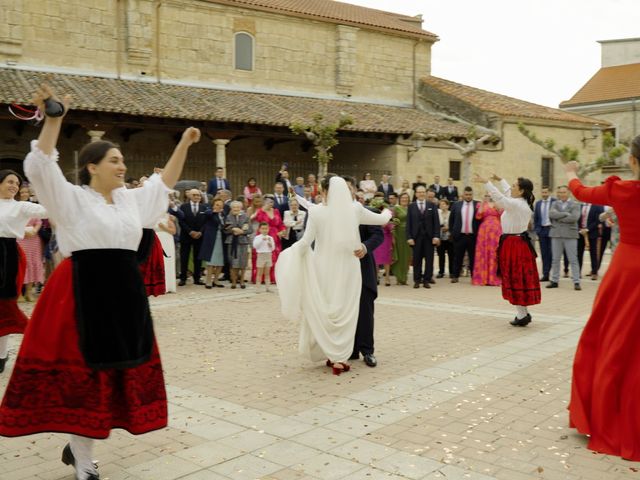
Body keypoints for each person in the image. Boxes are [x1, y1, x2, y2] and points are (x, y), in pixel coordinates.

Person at [0, 85, 200, 480]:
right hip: (80, 295)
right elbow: (39, 165)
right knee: (84, 377)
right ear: (92, 166)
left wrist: (183, 143)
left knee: (112, 375)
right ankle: (84, 460)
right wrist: (54, 120)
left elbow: (162, 186)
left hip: (124, 297)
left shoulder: (131, 201)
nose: (122, 166)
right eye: (114, 160)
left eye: (123, 160)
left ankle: (79, 449)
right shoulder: (70, 198)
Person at [566, 137, 640, 460]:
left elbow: (581, 193)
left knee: (612, 338)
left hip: (626, 268)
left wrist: (571, 173)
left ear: (633, 160)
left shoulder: (620, 189)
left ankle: (608, 414)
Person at [275, 175, 390, 375]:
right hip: (348, 269)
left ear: (325, 191)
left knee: (328, 308)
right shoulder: (355, 210)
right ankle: (341, 356)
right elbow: (382, 219)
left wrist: (290, 254)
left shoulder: (316, 211)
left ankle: (335, 354)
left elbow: (305, 241)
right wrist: (388, 210)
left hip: (323, 267)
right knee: (346, 309)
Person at [475, 173, 540, 326]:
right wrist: (500, 180)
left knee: (516, 277)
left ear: (522, 190)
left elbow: (501, 198)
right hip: (514, 243)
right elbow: (506, 192)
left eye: (514, 186)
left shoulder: (517, 204)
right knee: (516, 277)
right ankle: (522, 314)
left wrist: (487, 183)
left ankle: (523, 314)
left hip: (515, 244)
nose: (511, 188)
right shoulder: (519, 201)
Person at [0, 171, 46, 373]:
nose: (14, 186)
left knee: (5, 305)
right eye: (10, 181)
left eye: (17, 183)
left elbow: (46, 211)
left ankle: (1, 356)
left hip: (7, 256)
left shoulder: (21, 206)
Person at [547, 185, 581, 290]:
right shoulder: (554, 203)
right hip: (556, 234)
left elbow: (574, 217)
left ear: (569, 193)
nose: (561, 194)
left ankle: (576, 281)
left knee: (573, 259)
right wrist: (565, 214)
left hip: (570, 234)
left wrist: (559, 218)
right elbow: (551, 214)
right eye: (560, 192)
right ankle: (554, 280)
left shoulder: (575, 204)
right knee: (555, 259)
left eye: (564, 192)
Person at [406, 185, 441, 289]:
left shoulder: (432, 205)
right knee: (417, 260)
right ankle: (417, 280)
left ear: (425, 193)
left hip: (429, 238)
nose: (421, 194)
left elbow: (436, 223)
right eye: (419, 192)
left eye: (423, 192)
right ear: (416, 194)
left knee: (429, 260)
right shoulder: (411, 206)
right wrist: (409, 237)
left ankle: (426, 280)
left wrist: (436, 236)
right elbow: (409, 223)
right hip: (416, 238)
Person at [16, 186, 44, 302]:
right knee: (21, 265)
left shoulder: (33, 207)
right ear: (19, 193)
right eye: (22, 192)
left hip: (33, 239)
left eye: (26, 192)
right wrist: (22, 230)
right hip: (20, 238)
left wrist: (35, 230)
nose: (24, 194)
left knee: (32, 264)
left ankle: (28, 292)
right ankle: (19, 294)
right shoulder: (16, 207)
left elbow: (39, 221)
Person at [449, 186, 480, 283]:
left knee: (473, 258)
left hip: (472, 236)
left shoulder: (477, 205)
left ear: (472, 195)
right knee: (458, 257)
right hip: (460, 236)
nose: (468, 196)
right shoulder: (456, 205)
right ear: (463, 195)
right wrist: (453, 232)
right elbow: (451, 220)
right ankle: (455, 276)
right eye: (466, 194)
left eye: (470, 194)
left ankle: (474, 277)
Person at [178, 189, 208, 286]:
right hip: (186, 235)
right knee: (184, 258)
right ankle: (183, 278)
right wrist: (190, 231)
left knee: (198, 258)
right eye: (194, 195)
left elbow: (206, 222)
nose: (197, 197)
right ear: (189, 196)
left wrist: (200, 232)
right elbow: (181, 221)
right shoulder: (183, 207)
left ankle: (197, 278)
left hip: (199, 236)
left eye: (198, 195)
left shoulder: (204, 207)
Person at [472, 193, 503, 286]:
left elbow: (502, 214)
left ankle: (494, 277)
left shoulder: (498, 204)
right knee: (483, 252)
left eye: (490, 194)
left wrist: (498, 205)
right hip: (484, 231)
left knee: (495, 253)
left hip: (496, 231)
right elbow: (478, 216)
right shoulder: (481, 204)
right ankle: (483, 277)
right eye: (487, 194)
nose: (489, 196)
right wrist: (482, 202)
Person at [254, 196, 286, 284]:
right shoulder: (261, 211)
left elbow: (281, 224)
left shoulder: (276, 211)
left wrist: (282, 230)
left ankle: (274, 277)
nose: (270, 204)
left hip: (275, 237)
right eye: (268, 202)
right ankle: (261, 278)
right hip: (263, 235)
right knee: (262, 258)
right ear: (264, 202)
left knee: (275, 258)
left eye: (272, 202)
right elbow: (258, 219)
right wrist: (263, 209)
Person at [224, 201, 252, 289]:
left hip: (243, 241)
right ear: (231, 208)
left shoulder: (245, 217)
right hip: (231, 242)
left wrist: (242, 232)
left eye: (237, 207)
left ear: (241, 208)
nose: (236, 209)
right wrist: (233, 230)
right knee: (232, 263)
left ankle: (242, 281)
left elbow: (250, 229)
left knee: (242, 263)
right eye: (234, 207)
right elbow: (225, 229)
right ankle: (234, 282)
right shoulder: (228, 217)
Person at [577, 202, 605, 280]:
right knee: (579, 253)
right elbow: (576, 219)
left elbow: (598, 220)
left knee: (593, 253)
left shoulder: (596, 206)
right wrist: (580, 229)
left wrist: (587, 229)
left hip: (592, 232)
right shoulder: (579, 205)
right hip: (580, 233)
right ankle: (578, 272)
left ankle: (594, 272)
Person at [370, 197, 394, 287]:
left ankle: (387, 277)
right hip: (376, 235)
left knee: (386, 258)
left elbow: (389, 224)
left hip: (386, 236)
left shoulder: (388, 212)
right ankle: (376, 277)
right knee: (376, 258)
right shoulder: (373, 210)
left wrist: (391, 225)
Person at [533, 186, 555, 281]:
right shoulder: (538, 204)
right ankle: (545, 274)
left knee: (552, 253)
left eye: (546, 192)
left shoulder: (555, 202)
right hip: (542, 231)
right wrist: (537, 230)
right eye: (543, 192)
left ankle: (553, 274)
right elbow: (536, 218)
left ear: (549, 192)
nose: (544, 194)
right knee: (544, 253)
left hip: (552, 230)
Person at [154, 207, 177, 293]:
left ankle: (168, 286)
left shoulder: (168, 217)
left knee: (167, 262)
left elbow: (174, 231)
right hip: (155, 240)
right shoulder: (152, 217)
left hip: (166, 241)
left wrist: (164, 227)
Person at [391, 192, 411, 285]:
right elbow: (392, 222)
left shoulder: (411, 208)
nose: (405, 199)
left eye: (406, 198)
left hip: (409, 235)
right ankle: (399, 278)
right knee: (399, 256)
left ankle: (404, 278)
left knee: (407, 256)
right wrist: (393, 235)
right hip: (399, 235)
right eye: (403, 198)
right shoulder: (396, 208)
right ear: (400, 199)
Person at [253, 223, 275, 292]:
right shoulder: (257, 237)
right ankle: (257, 288)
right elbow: (255, 246)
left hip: (268, 255)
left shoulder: (270, 238)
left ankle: (267, 288)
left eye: (266, 228)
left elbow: (273, 248)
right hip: (261, 255)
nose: (264, 230)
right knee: (259, 272)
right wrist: (262, 239)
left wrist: (270, 245)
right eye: (263, 228)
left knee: (267, 273)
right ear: (259, 229)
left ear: (268, 229)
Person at [436, 199, 453, 279]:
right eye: (440, 204)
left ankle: (452, 272)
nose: (442, 206)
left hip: (449, 237)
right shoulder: (438, 214)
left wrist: (448, 228)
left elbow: (453, 224)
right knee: (441, 256)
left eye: (443, 204)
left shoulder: (451, 214)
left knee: (451, 255)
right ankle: (441, 272)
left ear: (447, 205)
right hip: (440, 237)